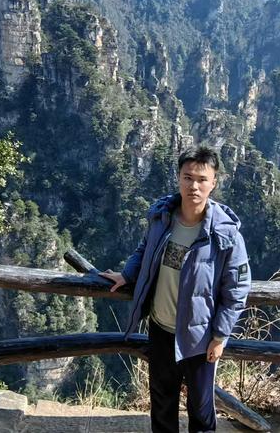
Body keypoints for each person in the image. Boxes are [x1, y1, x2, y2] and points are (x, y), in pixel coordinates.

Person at [99, 146, 252, 433]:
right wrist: (127, 274)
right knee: (162, 402)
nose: (194, 186)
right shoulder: (163, 217)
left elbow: (237, 288)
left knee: (201, 409)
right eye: (188, 177)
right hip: (161, 328)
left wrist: (220, 336)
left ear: (214, 182)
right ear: (179, 178)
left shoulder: (226, 233)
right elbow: (145, 249)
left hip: (200, 336)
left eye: (202, 179)